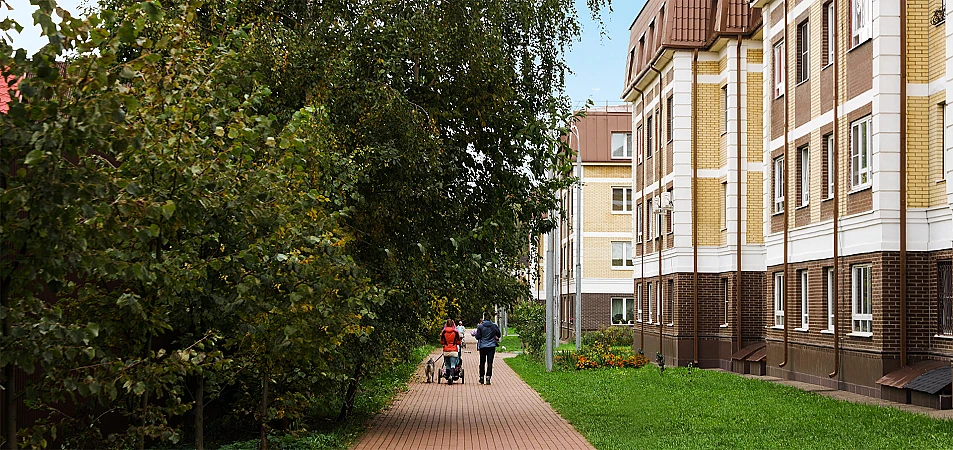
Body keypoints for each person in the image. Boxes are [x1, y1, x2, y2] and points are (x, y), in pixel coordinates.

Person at [475, 314, 502, 385]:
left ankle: (481, 377)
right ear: (490, 318)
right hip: (491, 346)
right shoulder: (494, 326)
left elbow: (477, 337)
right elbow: (499, 335)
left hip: (482, 346)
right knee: (490, 363)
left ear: (484, 318)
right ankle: (488, 378)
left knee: (482, 362)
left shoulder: (480, 326)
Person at [439, 319, 462, 383]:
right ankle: (451, 376)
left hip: (446, 350)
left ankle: (448, 375)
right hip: (454, 350)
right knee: (453, 364)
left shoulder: (443, 332)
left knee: (447, 364)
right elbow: (458, 342)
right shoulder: (455, 332)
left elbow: (442, 342)